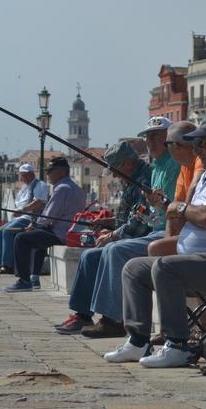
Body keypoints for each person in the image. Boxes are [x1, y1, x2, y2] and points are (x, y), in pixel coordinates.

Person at [107, 113, 206, 368]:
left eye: (203, 143)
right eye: (195, 144)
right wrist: (173, 207)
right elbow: (187, 214)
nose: (197, 149)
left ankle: (177, 344)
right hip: (201, 263)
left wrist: (178, 208)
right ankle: (137, 341)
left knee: (165, 267)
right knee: (134, 268)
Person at [55, 124, 180, 337]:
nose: (112, 174)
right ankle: (83, 314)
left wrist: (114, 235)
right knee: (90, 255)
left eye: (114, 169)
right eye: (147, 139)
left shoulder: (145, 177)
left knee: (108, 252)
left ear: (128, 164)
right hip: (144, 232)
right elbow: (138, 214)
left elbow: (140, 221)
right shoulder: (149, 172)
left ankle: (113, 319)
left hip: (146, 235)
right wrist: (109, 223)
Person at [4, 157, 87, 292]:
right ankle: (34, 278)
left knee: (21, 238)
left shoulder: (61, 189)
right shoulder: (76, 188)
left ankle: (24, 281)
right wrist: (37, 225)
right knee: (38, 237)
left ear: (61, 172)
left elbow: (48, 216)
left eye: (50, 171)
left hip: (62, 235)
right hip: (72, 233)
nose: (47, 175)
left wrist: (34, 224)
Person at [0, 164, 48, 273]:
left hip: (30, 218)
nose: (24, 178)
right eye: (22, 176)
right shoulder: (23, 188)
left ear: (32, 174)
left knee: (7, 231)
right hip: (19, 217)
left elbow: (38, 202)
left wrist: (22, 210)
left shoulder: (40, 185)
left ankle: (8, 265)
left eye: (26, 175)